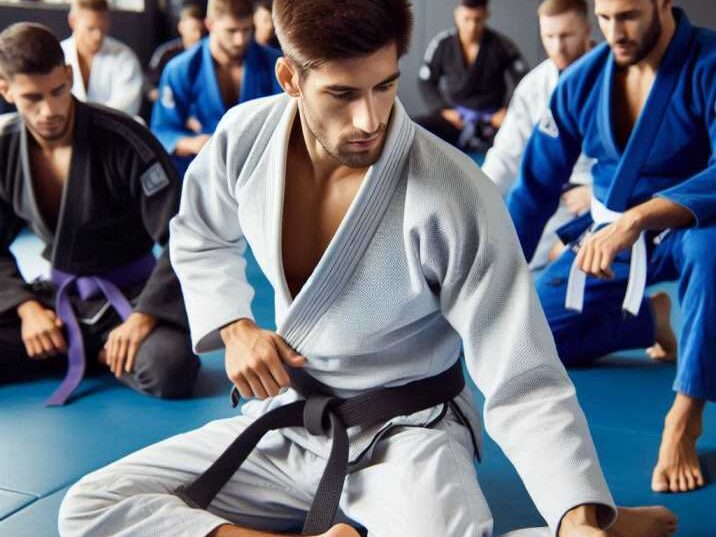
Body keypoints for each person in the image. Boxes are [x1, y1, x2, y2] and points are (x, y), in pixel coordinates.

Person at [58, 1, 677, 536]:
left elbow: (524, 373)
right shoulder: (245, 137)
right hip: (290, 423)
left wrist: (575, 513)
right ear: (289, 78)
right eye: (343, 93)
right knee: (91, 507)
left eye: (385, 85)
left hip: (407, 437)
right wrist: (235, 326)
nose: (370, 119)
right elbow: (197, 232)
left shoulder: (452, 193)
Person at [508, 0, 715, 494]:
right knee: (539, 340)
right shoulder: (583, 80)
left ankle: (686, 414)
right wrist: (495, 280)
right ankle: (653, 319)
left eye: (628, 16)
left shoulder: (707, 65)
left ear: (662, 3)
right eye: (604, 18)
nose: (614, 32)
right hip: (610, 232)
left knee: (713, 252)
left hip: (690, 227)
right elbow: (535, 188)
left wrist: (643, 217)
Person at [0, 23, 199, 404]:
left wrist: (143, 318)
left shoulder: (125, 140)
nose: (49, 110)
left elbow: (184, 234)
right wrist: (26, 310)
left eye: (58, 91)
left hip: (131, 297)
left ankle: (72, 348)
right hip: (57, 300)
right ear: (5, 90)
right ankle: (77, 344)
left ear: (69, 75)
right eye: (32, 98)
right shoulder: (5, 149)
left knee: (169, 367)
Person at [482, 0, 594, 270]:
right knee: (499, 257)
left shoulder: (615, 77)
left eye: (566, 35)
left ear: (587, 30)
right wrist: (472, 196)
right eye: (549, 36)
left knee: (568, 256)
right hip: (554, 200)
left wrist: (598, 193)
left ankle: (649, 308)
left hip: (605, 199)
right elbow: (506, 156)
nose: (558, 46)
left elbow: (642, 159)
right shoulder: (534, 85)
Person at [151, 0, 282, 176]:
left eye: (246, 29)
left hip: (261, 168)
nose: (240, 40)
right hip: (202, 170)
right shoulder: (181, 69)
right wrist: (195, 143)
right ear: (210, 24)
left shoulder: (275, 63)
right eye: (231, 31)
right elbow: (162, 130)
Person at [416, 0, 529, 152]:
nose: (472, 27)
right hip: (455, 118)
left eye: (477, 20)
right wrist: (444, 110)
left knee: (526, 137)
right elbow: (425, 82)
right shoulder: (442, 44)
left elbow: (524, 80)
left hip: (493, 119)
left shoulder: (502, 44)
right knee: (415, 129)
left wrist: (507, 110)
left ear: (486, 16)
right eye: (466, 19)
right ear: (457, 15)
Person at [61, 0, 144, 117]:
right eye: (91, 28)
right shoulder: (58, 55)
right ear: (73, 21)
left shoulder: (125, 58)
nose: (98, 36)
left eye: (102, 28)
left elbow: (126, 109)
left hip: (113, 130)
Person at [147, 4, 207, 103]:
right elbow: (149, 80)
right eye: (193, 30)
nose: (197, 35)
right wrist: (155, 92)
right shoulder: (166, 52)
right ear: (181, 28)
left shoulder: (208, 54)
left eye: (201, 30)